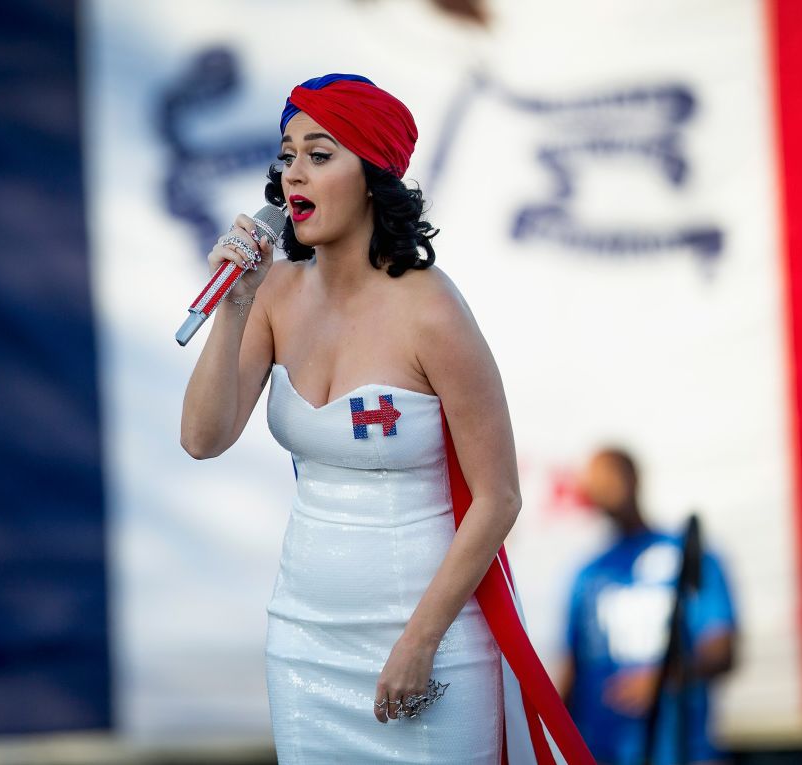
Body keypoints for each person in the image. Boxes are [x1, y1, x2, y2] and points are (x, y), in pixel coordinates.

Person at [180, 73, 591, 764]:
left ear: (372, 176)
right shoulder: (274, 293)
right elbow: (202, 438)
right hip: (305, 641)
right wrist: (235, 308)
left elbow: (499, 496)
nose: (295, 172)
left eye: (320, 152)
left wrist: (420, 639)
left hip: (430, 645)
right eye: (287, 155)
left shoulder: (430, 308)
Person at [560, 448, 738, 765]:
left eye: (608, 477)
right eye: (593, 483)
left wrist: (663, 677)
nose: (601, 490)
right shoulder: (588, 573)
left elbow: (722, 650)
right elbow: (571, 669)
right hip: (603, 751)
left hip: (680, 749)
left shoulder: (687, 554)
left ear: (633, 477)